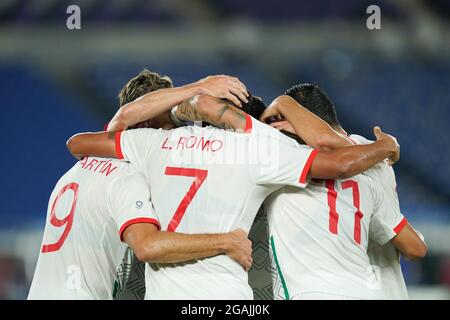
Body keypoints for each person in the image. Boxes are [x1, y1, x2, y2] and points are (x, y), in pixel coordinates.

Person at [67, 87, 400, 299]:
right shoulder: (259, 149)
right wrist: (384, 147)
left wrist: (190, 101)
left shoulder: (156, 143)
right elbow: (339, 163)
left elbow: (80, 143)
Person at [28, 72, 253, 300]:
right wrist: (227, 241)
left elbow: (84, 138)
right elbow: (147, 246)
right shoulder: (127, 177)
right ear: (146, 120)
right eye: (171, 124)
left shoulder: (79, 168)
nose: (176, 136)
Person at [259, 84, 427, 299]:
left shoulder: (297, 155)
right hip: (381, 288)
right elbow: (411, 245)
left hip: (325, 285)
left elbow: (327, 145)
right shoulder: (374, 156)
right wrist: (389, 144)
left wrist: (283, 105)